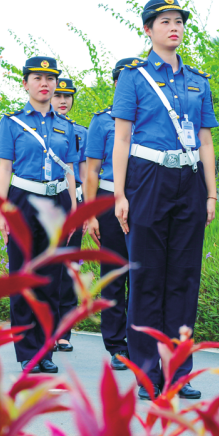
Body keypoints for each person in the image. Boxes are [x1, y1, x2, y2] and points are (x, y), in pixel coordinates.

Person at [112, 0, 219, 400]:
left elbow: (207, 140)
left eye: (178, 21)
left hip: (189, 180)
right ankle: (146, 373)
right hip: (148, 179)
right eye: (165, 21)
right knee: (147, 277)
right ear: (148, 29)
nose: (173, 27)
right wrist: (120, 192)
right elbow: (122, 138)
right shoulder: (134, 77)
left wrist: (211, 192)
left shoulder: (198, 80)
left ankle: (177, 371)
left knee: (184, 279)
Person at [0, 57, 79, 374]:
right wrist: (1, 210)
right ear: (25, 83)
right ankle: (26, 352)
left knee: (51, 280)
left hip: (56, 200)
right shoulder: (12, 123)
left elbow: (70, 171)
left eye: (50, 78)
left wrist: (73, 208)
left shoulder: (65, 126)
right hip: (22, 200)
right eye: (38, 78)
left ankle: (45, 350)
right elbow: (4, 169)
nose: (45, 83)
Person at [84, 57, 139, 370]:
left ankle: (139, 340)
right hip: (107, 199)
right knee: (115, 274)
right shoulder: (103, 121)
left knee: (142, 273)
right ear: (116, 85)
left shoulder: (150, 120)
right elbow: (91, 170)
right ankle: (117, 344)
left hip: (144, 197)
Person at [51, 77, 87, 352]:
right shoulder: (37, 129)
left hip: (73, 203)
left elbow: (85, 173)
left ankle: (64, 330)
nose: (63, 101)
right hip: (45, 204)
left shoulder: (80, 132)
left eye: (67, 96)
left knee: (68, 268)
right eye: (58, 96)